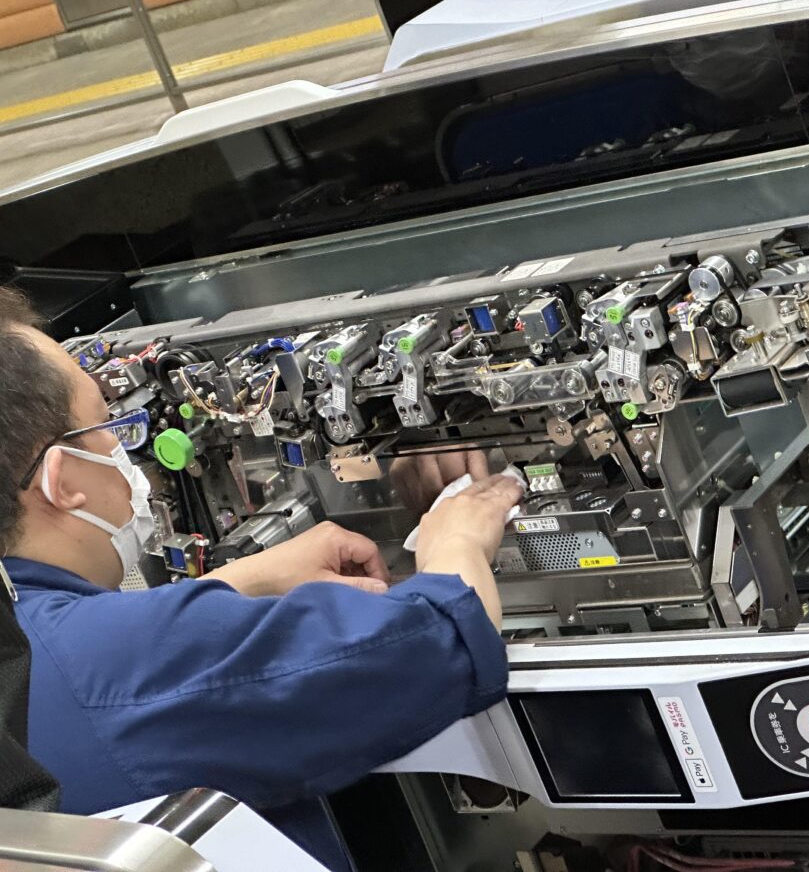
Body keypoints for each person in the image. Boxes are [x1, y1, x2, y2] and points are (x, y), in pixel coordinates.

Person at [0, 286, 523, 870]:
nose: (124, 449)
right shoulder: (107, 667)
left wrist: (237, 580)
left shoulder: (24, 645)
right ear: (64, 477)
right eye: (107, 425)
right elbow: (433, 641)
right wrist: (458, 536)